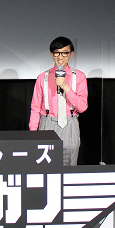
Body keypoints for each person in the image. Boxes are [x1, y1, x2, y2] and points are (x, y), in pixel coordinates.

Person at [29, 36, 88, 166]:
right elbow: (35, 107)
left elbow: (82, 107)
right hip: (47, 123)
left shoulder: (79, 76)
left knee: (69, 165)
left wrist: (65, 87)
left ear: (71, 54)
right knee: (45, 165)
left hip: (69, 123)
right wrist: (33, 133)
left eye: (65, 53)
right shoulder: (42, 77)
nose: (60, 57)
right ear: (52, 54)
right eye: (57, 53)